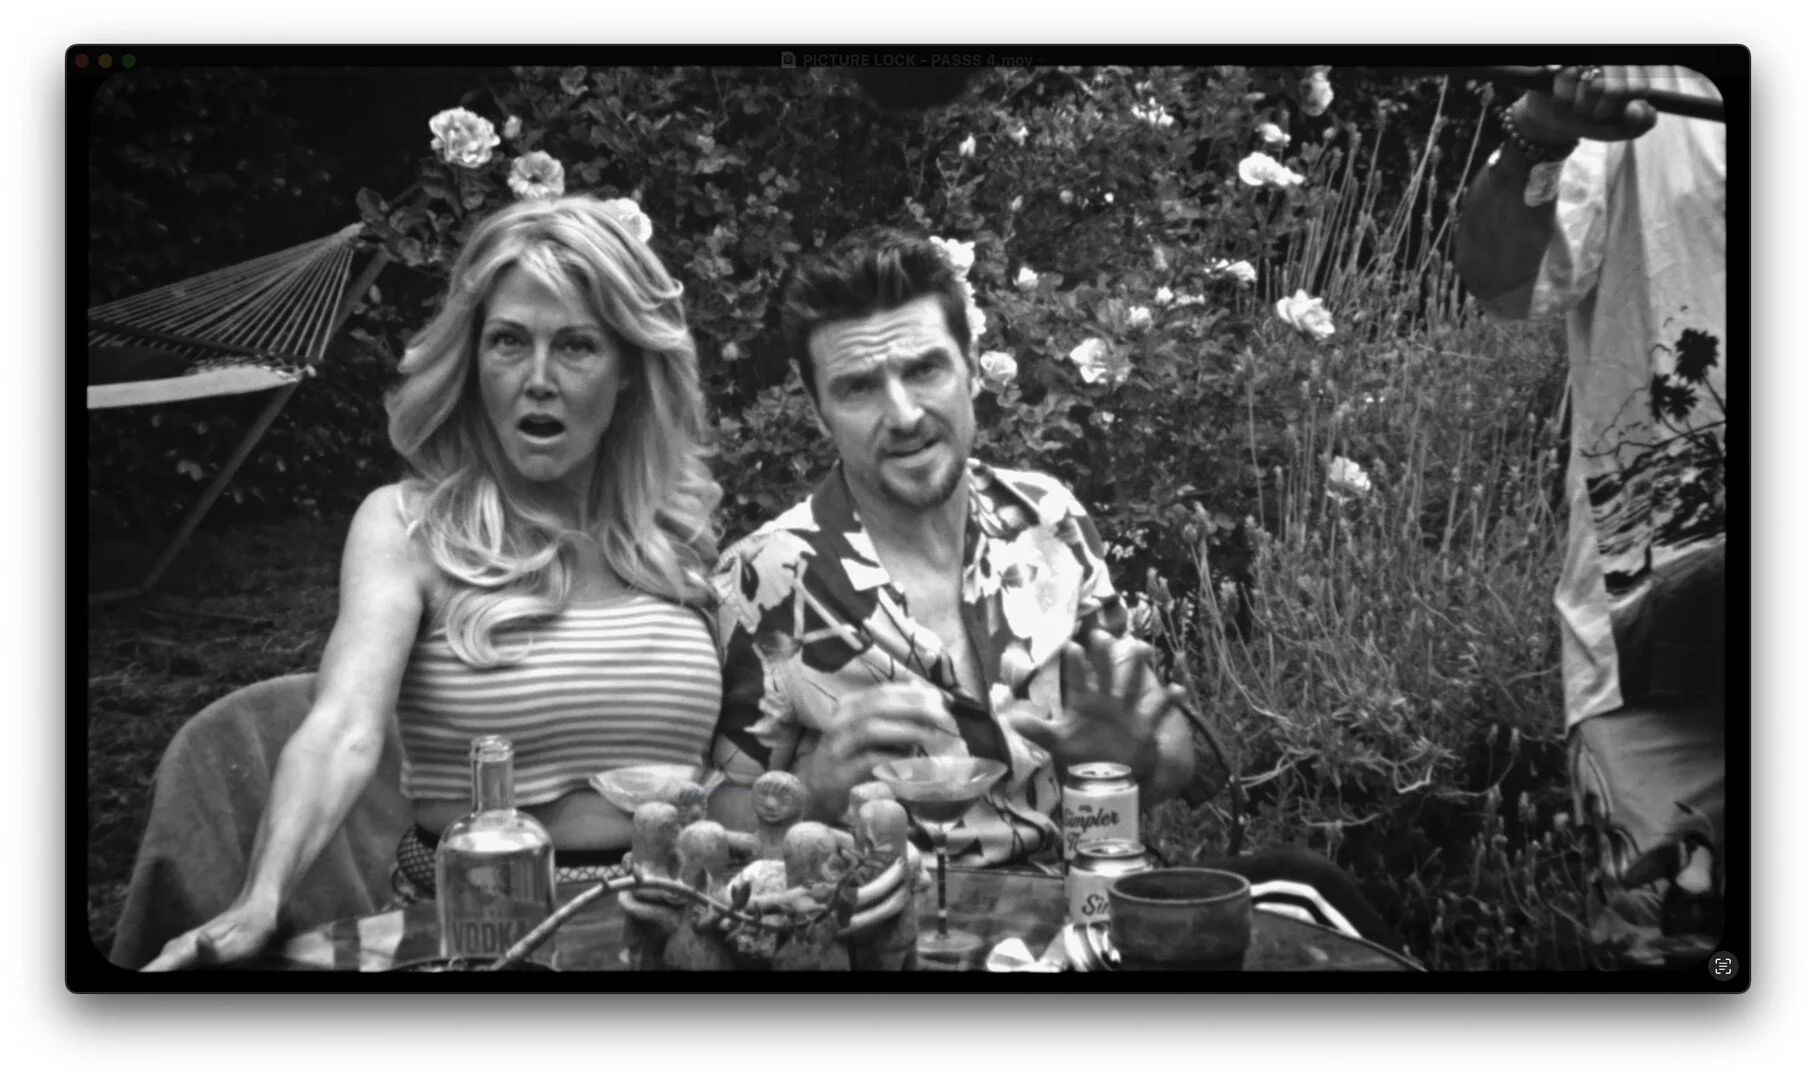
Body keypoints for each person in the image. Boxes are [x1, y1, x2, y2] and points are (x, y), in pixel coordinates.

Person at [704, 227, 1401, 948]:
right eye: (857, 388)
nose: (904, 414)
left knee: (1308, 888)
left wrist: (1134, 758)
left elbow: (1168, 752)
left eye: (925, 369)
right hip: (899, 939)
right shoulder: (765, 578)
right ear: (818, 407)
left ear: (971, 368)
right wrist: (813, 794)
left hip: (1084, 918)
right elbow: (716, 826)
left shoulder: (1046, 518)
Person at [139, 195, 725, 970]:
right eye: (509, 341)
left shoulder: (678, 539)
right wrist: (261, 896)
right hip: (476, 936)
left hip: (673, 934)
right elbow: (343, 728)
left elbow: (740, 765)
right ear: (473, 362)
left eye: (577, 345)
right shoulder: (408, 527)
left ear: (627, 372)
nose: (538, 379)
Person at [1454, 66, 1726, 966]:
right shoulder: (1646, 72)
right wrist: (1537, 129)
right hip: (1658, 641)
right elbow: (1499, 284)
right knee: (1677, 961)